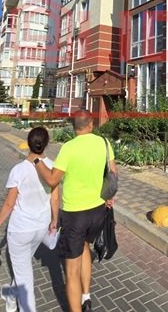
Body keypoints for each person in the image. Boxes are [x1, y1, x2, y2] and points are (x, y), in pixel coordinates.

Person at [32, 109, 117, 312]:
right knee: (85, 246)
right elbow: (113, 173)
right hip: (98, 211)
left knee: (71, 272)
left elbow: (52, 179)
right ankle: (86, 296)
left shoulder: (68, 148)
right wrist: (109, 196)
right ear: (91, 124)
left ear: (73, 127)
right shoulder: (103, 142)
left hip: (75, 214)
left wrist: (37, 161)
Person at [0, 127, 60, 312]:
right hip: (41, 229)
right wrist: (54, 220)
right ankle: (11, 297)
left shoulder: (18, 170)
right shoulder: (53, 167)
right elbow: (55, 198)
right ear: (46, 144)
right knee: (22, 270)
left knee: (24, 279)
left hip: (20, 231)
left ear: (28, 143)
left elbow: (9, 204)